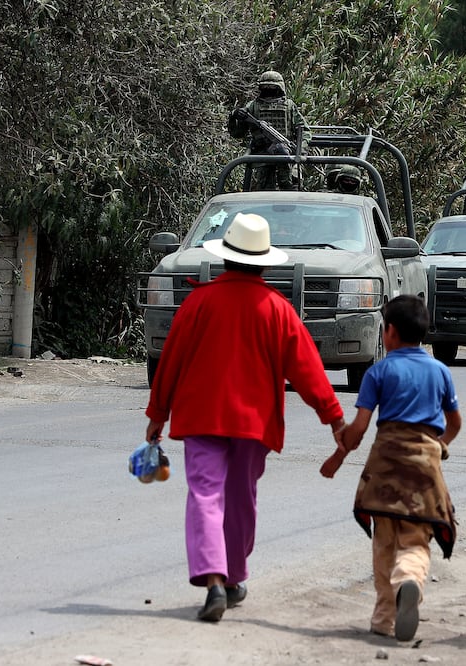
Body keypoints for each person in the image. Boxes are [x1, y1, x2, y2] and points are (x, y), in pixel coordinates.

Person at [144, 212, 346, 623]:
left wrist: (157, 414)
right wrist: (334, 418)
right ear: (264, 263)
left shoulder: (197, 302)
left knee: (205, 495)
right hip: (254, 423)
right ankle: (233, 576)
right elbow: (306, 369)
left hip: (200, 417)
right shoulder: (278, 309)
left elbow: (170, 363)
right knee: (240, 500)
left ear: (225, 257)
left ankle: (215, 580)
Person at [337, 295, 462, 642]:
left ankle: (383, 617)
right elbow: (454, 422)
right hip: (424, 464)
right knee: (416, 537)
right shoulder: (439, 371)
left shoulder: (380, 371)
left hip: (385, 465)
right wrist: (439, 446)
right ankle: (409, 577)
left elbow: (361, 426)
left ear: (389, 332)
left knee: (384, 541)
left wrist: (342, 440)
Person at [227, 70, 311, 190]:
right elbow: (238, 133)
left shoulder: (289, 106)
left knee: (290, 188)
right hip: (262, 157)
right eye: (266, 87)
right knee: (263, 192)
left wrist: (300, 150)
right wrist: (234, 116)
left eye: (272, 87)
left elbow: (304, 131)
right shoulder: (252, 106)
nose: (269, 90)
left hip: (287, 156)